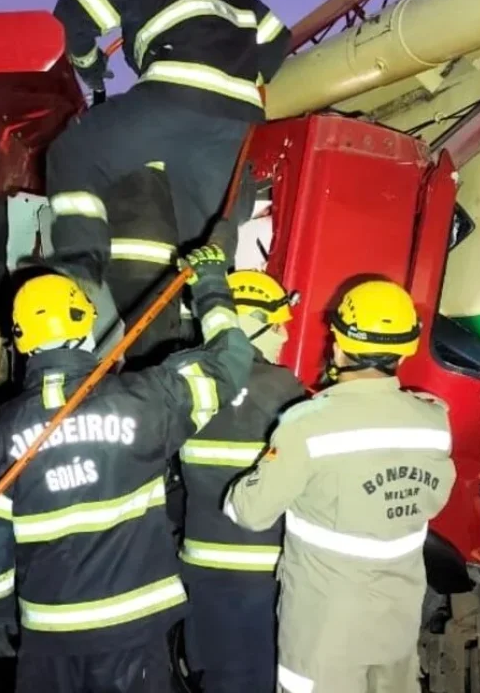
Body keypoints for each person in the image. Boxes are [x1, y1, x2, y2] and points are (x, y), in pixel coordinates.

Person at [0, 242, 254, 693]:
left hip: (49, 632)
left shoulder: (1, 429)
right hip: (132, 630)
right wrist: (210, 282)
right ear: (87, 321)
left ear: (19, 339)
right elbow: (230, 360)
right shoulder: (146, 401)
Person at [223, 279, 457, 693]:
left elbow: (252, 512)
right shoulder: (434, 421)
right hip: (399, 616)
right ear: (406, 349)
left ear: (338, 346)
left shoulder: (308, 424)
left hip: (325, 627)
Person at [45, 0, 292, 351]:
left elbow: (72, 17)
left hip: (174, 91)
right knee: (205, 245)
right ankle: (202, 339)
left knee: (74, 154)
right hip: (235, 120)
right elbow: (278, 42)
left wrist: (89, 64)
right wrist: (238, 75)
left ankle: (80, 269)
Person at [178, 269, 306, 693]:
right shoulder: (284, 388)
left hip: (200, 565)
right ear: (248, 324)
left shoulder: (184, 382)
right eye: (277, 324)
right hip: (261, 570)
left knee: (213, 675)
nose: (284, 336)